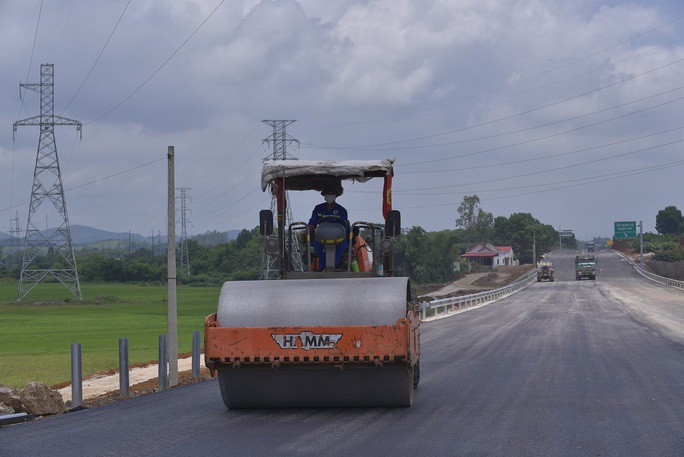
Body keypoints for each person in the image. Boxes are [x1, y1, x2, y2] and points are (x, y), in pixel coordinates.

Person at [308, 183, 349, 269]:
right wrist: (305, 232)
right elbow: (312, 223)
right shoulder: (318, 208)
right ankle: (323, 268)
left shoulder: (342, 210)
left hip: (338, 238)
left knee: (343, 243)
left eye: (331, 194)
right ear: (324, 196)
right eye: (327, 194)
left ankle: (333, 266)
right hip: (321, 238)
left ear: (335, 196)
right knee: (318, 245)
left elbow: (344, 228)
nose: (329, 196)